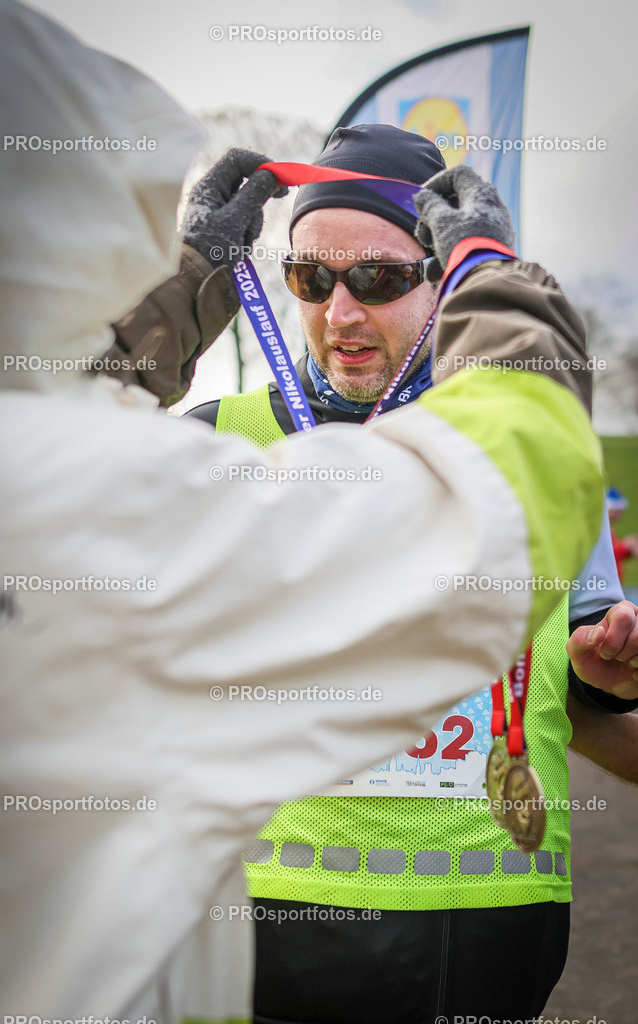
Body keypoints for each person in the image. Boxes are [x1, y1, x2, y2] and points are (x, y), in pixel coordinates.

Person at [176, 126, 638, 1024]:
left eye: (379, 279)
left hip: (488, 932)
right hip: (263, 929)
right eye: (312, 279)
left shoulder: (542, 454)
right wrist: (180, 283)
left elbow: (586, 681)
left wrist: (601, 675)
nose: (340, 315)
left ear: (446, 282)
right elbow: (31, 475)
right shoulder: (211, 437)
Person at [606, 487, 638, 582]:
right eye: (618, 509)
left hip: (610, 584)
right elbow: (605, 553)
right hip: (604, 585)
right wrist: (626, 546)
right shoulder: (601, 528)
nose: (621, 513)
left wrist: (628, 549)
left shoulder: (609, 527)